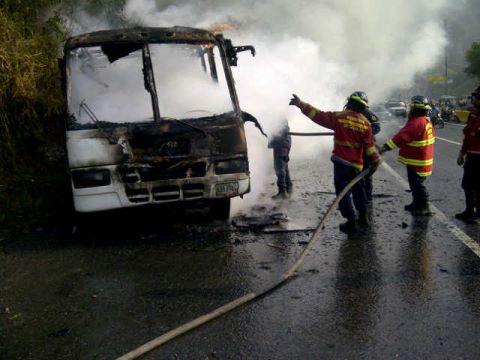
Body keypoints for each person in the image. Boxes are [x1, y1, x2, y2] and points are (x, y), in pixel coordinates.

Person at [289, 91, 382, 233]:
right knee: (359, 191)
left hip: (341, 164)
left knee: (343, 193)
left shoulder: (339, 117)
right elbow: (369, 147)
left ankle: (351, 222)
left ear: (349, 102)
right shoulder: (365, 124)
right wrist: (376, 160)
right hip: (357, 165)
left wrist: (301, 104)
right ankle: (363, 217)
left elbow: (318, 116)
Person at [379, 95, 435, 215]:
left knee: (417, 185)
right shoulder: (425, 120)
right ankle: (416, 203)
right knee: (414, 184)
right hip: (420, 158)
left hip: (418, 160)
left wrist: (385, 147)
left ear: (415, 108)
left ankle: (424, 206)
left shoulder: (417, 123)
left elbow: (401, 137)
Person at [455, 86, 480, 224]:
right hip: (472, 157)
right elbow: (468, 136)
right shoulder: (474, 116)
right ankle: (469, 210)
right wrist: (462, 152)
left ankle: (478, 215)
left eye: (476, 98)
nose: (473, 100)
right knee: (467, 184)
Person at [360, 106, 381, 201]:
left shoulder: (368, 114)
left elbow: (377, 127)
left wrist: (365, 134)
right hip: (353, 148)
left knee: (367, 171)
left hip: (366, 147)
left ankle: (367, 196)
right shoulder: (349, 113)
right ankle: (359, 195)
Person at [268, 120, 292, 199]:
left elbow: (277, 130)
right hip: (284, 143)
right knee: (284, 167)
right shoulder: (279, 115)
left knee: (279, 167)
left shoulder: (277, 116)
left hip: (281, 143)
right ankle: (288, 189)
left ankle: (283, 191)